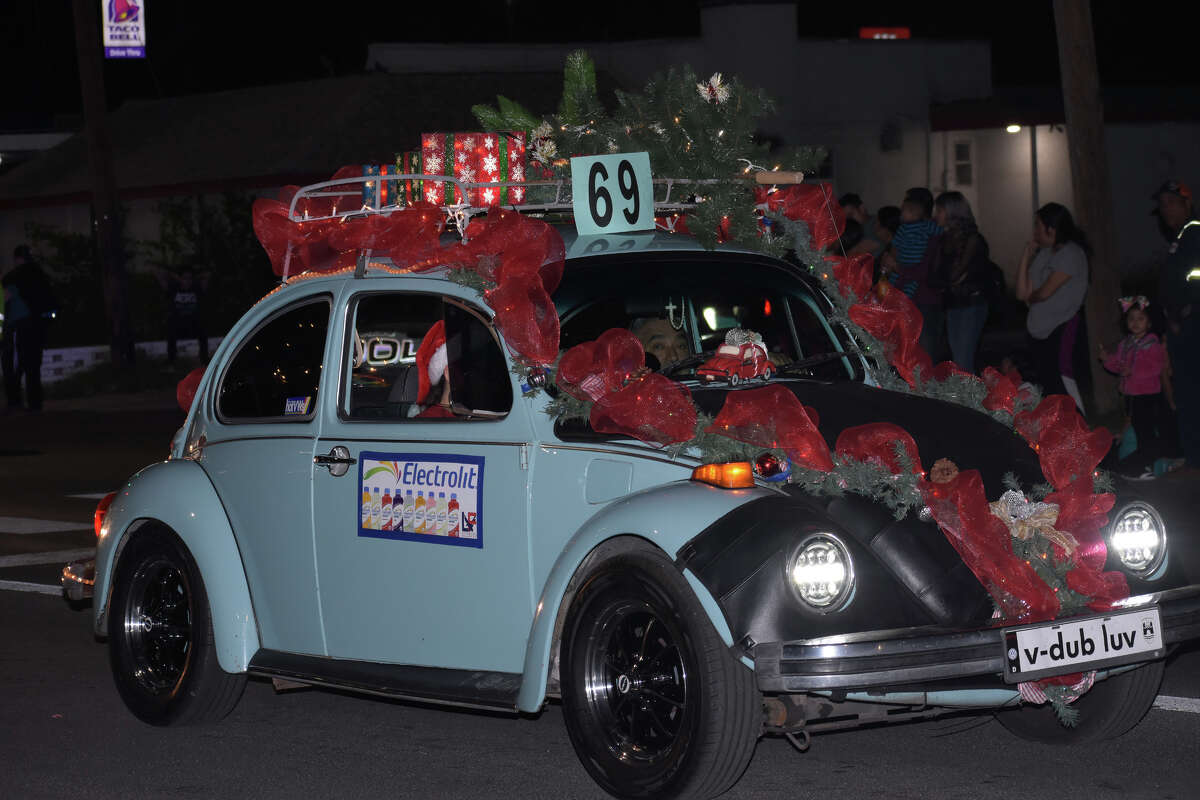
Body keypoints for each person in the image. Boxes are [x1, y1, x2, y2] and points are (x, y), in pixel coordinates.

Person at [1015, 203, 1090, 398]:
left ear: (1051, 228)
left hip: (1062, 327)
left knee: (1064, 381)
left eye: (1037, 226)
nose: (1034, 231)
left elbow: (1044, 292)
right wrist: (1026, 255)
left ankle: (1077, 423)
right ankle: (1054, 426)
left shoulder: (1071, 253)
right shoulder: (1044, 254)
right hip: (1038, 331)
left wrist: (1031, 298)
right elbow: (1022, 293)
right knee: (1047, 383)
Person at [1099, 297, 1178, 479]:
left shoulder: (1152, 344)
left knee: (1145, 432)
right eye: (1131, 319)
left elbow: (1155, 367)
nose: (1135, 323)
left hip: (1147, 396)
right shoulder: (1125, 343)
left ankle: (1145, 467)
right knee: (1135, 428)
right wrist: (1107, 360)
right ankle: (1143, 464)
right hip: (1130, 396)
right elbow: (1118, 365)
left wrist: (1132, 371)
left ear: (1149, 323)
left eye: (1140, 319)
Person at [1155, 179, 1200, 467]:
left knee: (1191, 392)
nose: (1165, 209)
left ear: (1187, 203)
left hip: (1191, 327)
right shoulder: (1180, 238)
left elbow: (1195, 278)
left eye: (1172, 202)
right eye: (1162, 205)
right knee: (1186, 394)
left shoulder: (1194, 233)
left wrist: (1183, 313)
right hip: (1181, 329)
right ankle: (1193, 457)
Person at [927, 191, 991, 373]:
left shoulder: (972, 240)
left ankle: (967, 400)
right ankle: (965, 398)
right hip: (954, 304)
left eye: (939, 210)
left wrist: (949, 280)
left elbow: (955, 273)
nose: (935, 215)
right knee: (959, 358)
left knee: (963, 359)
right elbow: (935, 276)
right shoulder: (944, 239)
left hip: (971, 303)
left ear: (952, 212)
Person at [882, 188, 943, 359]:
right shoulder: (903, 230)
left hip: (923, 301)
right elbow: (894, 249)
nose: (902, 211)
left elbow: (923, 272)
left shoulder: (931, 233)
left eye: (907, 208)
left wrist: (896, 266)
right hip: (904, 286)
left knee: (924, 352)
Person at [1, 245, 57, 412]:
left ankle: (15, 402)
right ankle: (35, 403)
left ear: (17, 259)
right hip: (37, 325)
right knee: (33, 365)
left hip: (19, 325)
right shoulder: (40, 275)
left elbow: (6, 299)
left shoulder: (12, 277)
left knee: (15, 365)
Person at [839, 193, 885, 258]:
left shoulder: (877, 223)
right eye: (846, 219)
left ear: (862, 208)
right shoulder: (852, 231)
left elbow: (853, 253)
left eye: (850, 215)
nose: (849, 222)